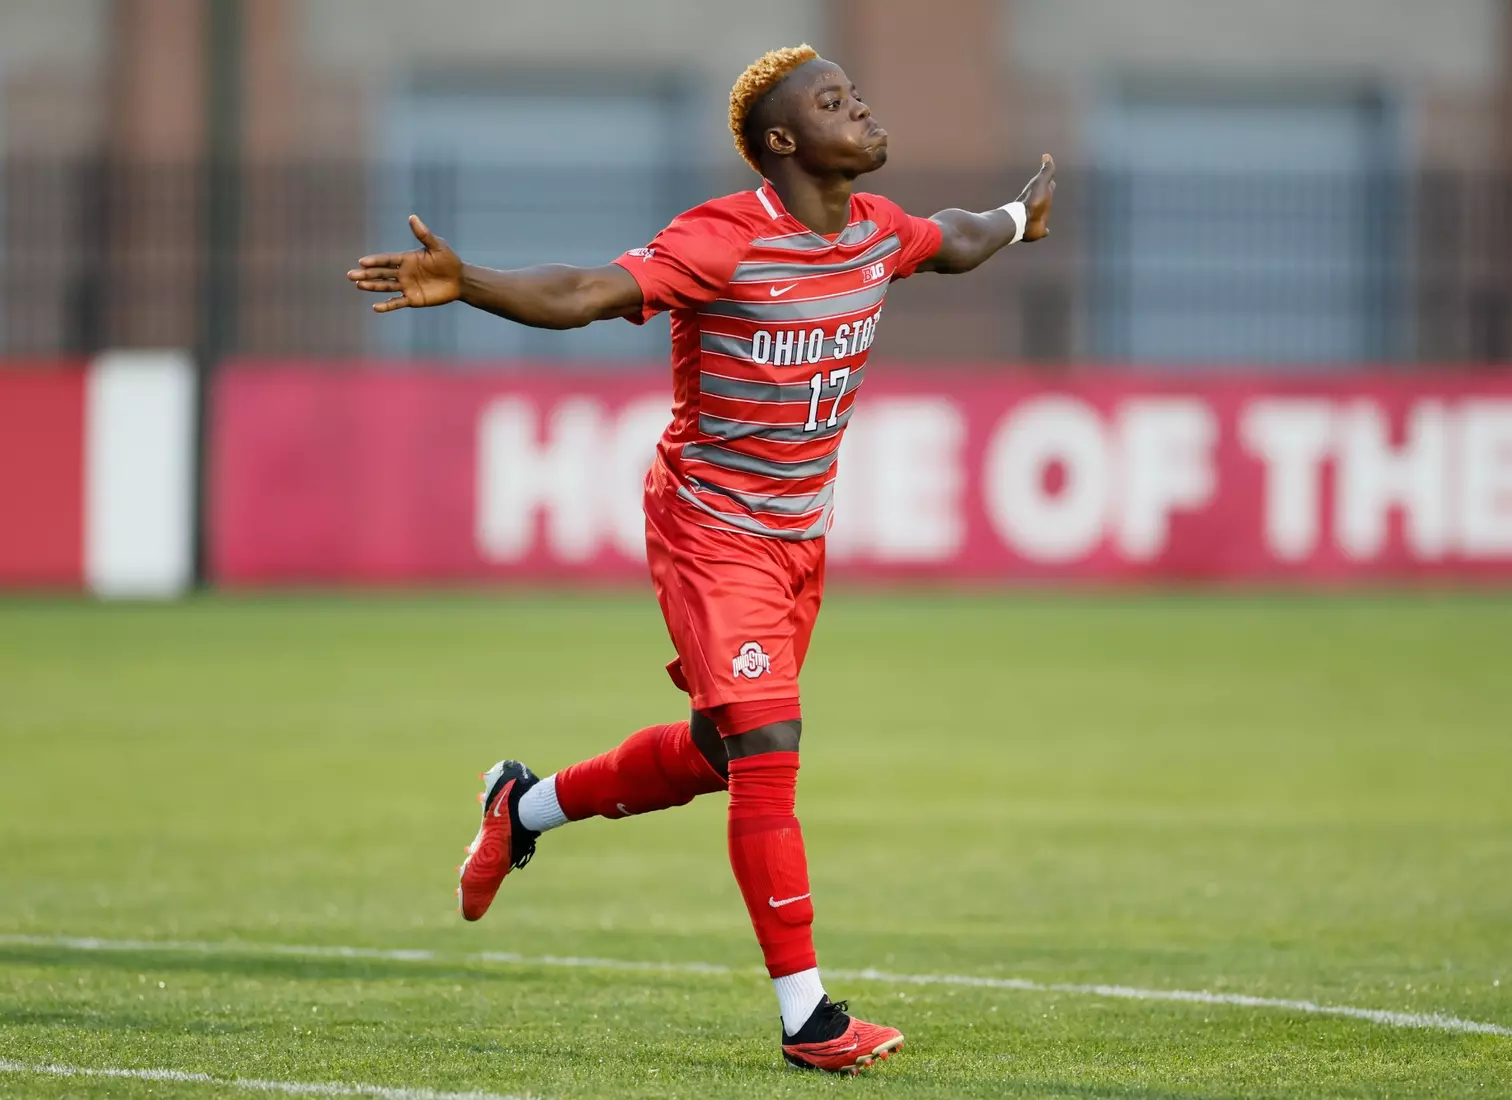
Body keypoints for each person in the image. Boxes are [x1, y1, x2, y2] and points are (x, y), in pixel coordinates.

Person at [347, 43, 1056, 1075]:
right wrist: (473, 286)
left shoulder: (872, 232)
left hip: (797, 537)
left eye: (852, 92)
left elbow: (951, 239)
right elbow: (591, 289)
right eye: (831, 101)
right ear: (782, 142)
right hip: (709, 525)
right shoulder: (723, 238)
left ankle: (523, 803)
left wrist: (1013, 217)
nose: (857, 106)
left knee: (723, 753)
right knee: (771, 746)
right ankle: (811, 1017)